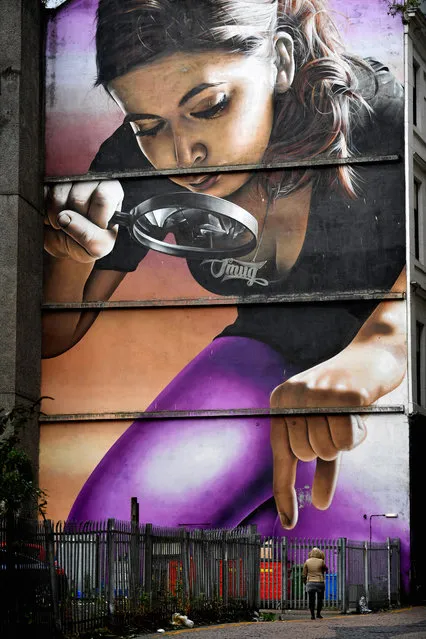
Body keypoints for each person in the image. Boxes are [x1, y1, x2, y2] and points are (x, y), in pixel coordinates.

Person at [43, 0, 406, 534]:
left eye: (210, 106)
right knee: (105, 538)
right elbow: (55, 334)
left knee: (356, 544)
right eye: (148, 125)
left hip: (394, 368)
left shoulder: (370, 105)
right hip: (262, 354)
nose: (182, 153)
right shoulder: (135, 159)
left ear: (280, 62)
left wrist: (381, 348)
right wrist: (71, 253)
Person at [303, 547, 328, 620]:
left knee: (311, 599)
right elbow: (326, 569)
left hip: (310, 582)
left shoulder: (307, 561)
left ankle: (312, 615)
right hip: (320, 582)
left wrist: (305, 582)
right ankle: (318, 614)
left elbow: (304, 574)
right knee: (320, 599)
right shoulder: (321, 561)